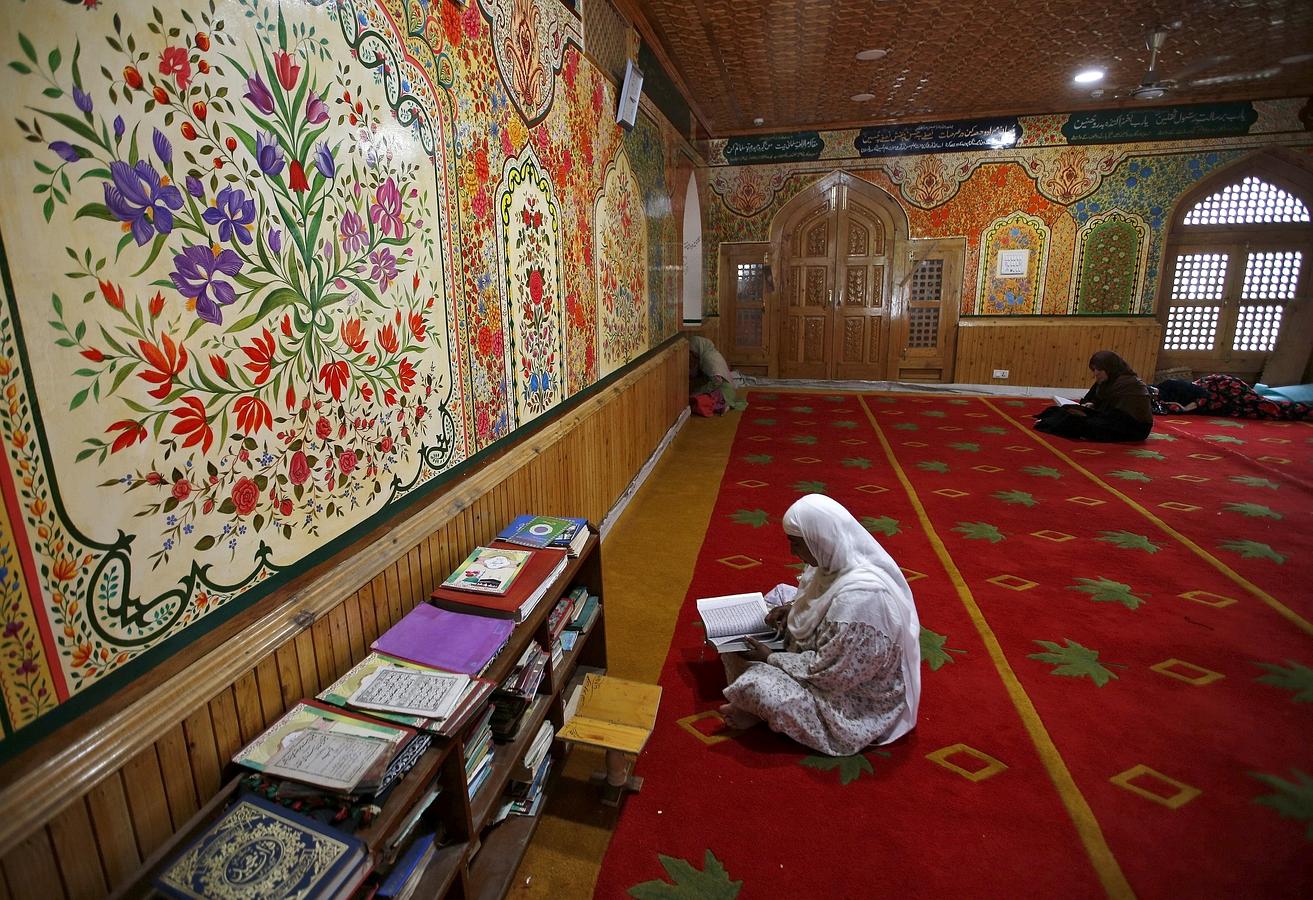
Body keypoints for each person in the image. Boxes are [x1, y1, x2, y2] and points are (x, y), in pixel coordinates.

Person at [718, 494, 921, 756]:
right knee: (774, 600)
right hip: (827, 656)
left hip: (853, 700)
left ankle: (758, 709)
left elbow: (833, 674)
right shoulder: (831, 561)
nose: (793, 552)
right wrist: (793, 609)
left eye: (797, 544)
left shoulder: (861, 599)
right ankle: (755, 697)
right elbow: (819, 599)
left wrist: (771, 659)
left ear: (820, 540)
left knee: (759, 686)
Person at [1033, 350, 1153, 441]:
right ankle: (1047, 420)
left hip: (1132, 427)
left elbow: (1121, 415)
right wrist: (1091, 406)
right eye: (1094, 370)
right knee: (1065, 410)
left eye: (1099, 370)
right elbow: (1095, 401)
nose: (1096, 374)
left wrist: (1091, 412)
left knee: (1075, 421)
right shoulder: (1108, 380)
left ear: (1109, 368)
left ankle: (1048, 424)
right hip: (1111, 418)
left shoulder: (1130, 384)